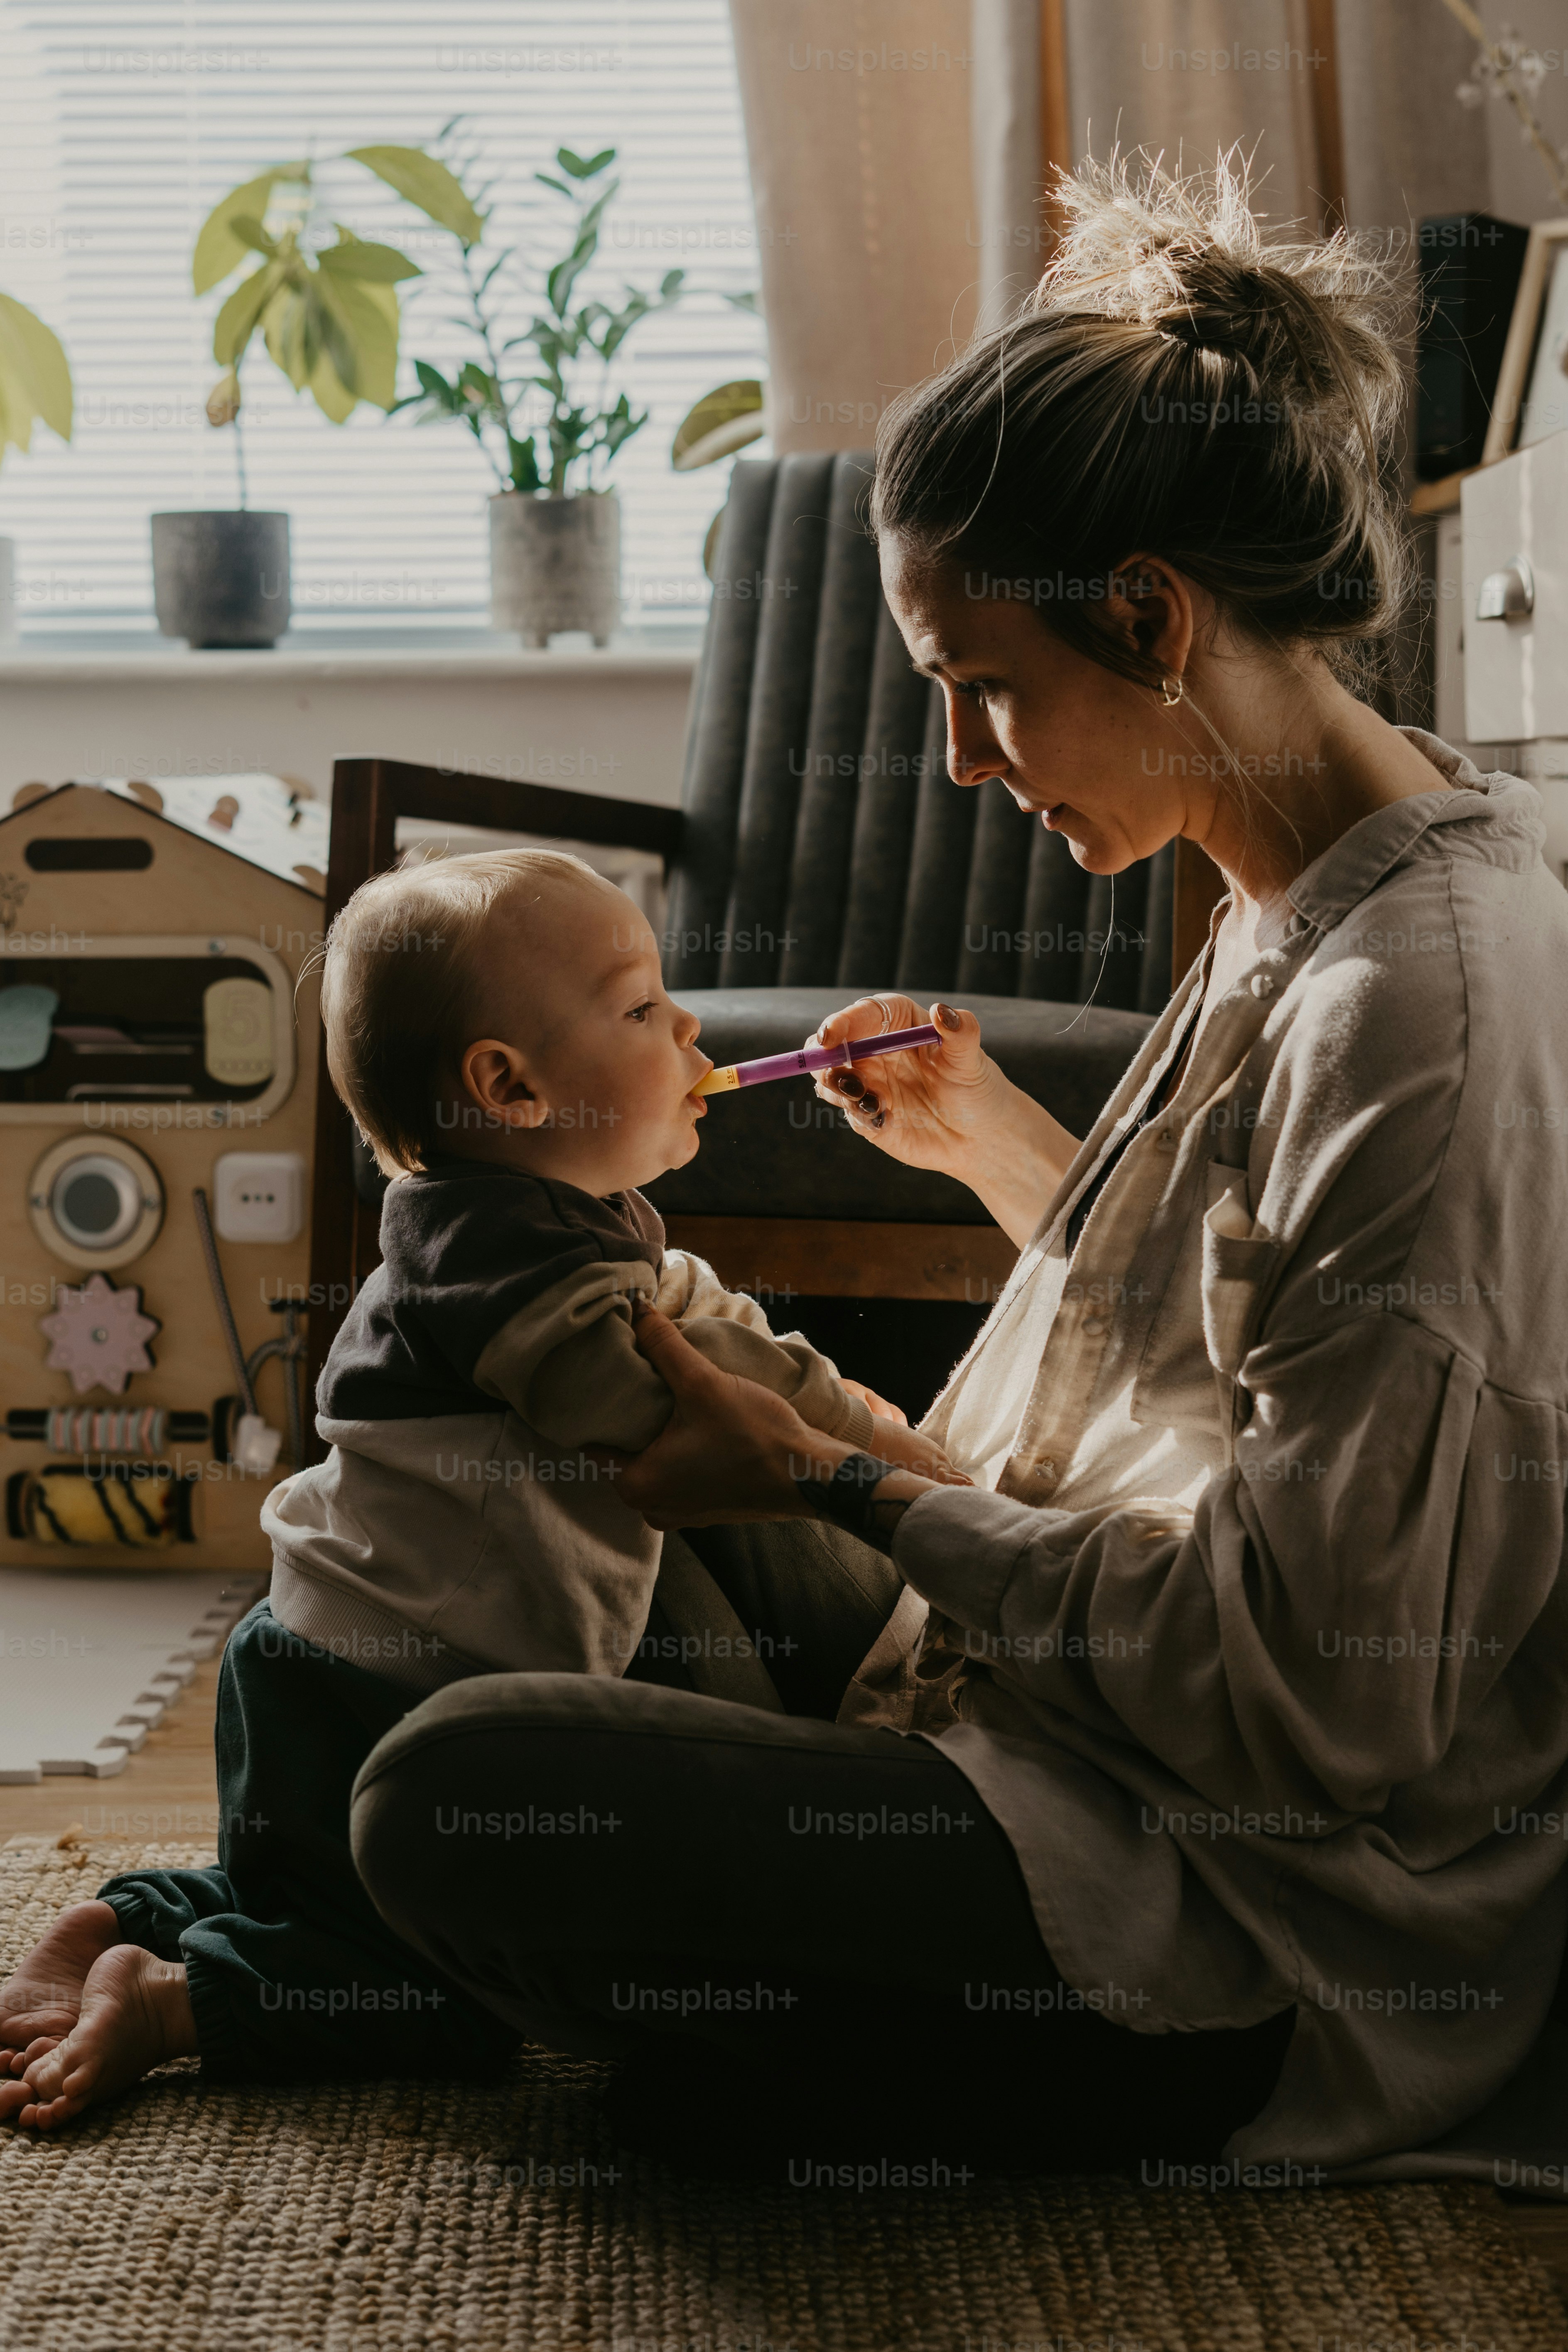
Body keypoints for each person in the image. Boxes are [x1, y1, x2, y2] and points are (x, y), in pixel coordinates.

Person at [339, 154, 1568, 2183]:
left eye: (977, 684)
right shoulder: (1302, 887)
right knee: (558, 1503)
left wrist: (832, 1479)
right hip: (1035, 1706)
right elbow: (1234, 1344)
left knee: (456, 1793)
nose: (961, 763)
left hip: (1229, 1910)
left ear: (1153, 618)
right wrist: (1005, 1151)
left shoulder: (1417, 1005)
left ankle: (874, 2059)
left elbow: (1315, 1713)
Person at [0, 850, 955, 2127]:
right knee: (440, 1993)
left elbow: (693, 1317)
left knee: (315, 1880)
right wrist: (863, 1459)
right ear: (508, 1087)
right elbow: (648, 1394)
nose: (689, 1030)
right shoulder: (499, 1249)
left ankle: (130, 1915)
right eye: (637, 1010)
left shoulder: (531, 1214)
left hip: (332, 1648)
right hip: (394, 1684)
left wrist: (858, 1418)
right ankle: (175, 2005)